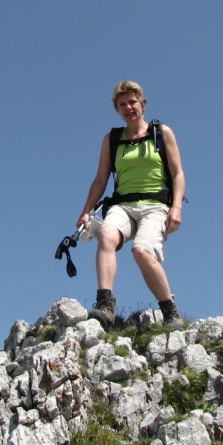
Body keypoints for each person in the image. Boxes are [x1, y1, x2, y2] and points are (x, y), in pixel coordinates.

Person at [76, 81, 186, 327]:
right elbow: (100, 179)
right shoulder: (112, 139)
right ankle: (105, 305)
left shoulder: (161, 133)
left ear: (142, 104)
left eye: (132, 102)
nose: (128, 107)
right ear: (117, 110)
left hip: (155, 206)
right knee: (106, 234)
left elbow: (178, 173)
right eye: (122, 104)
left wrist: (176, 207)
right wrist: (85, 213)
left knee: (142, 251)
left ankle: (169, 311)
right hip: (122, 205)